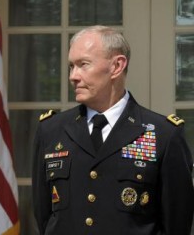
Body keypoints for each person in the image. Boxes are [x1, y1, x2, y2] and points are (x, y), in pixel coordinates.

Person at [32, 25, 194, 234]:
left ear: (117, 66)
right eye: (71, 66)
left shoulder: (164, 134)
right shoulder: (51, 130)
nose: (73, 75)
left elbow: (177, 223)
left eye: (83, 65)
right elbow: (44, 215)